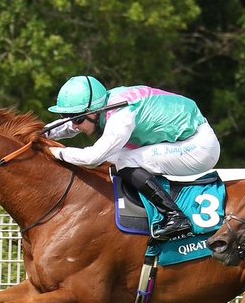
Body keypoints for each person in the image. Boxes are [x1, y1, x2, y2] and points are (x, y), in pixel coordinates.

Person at [45, 75, 221, 240]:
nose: (75, 126)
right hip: (185, 139)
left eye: (77, 120)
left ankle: (175, 216)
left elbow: (93, 157)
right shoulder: (105, 104)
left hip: (199, 148)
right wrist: (41, 133)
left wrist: (54, 152)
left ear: (93, 111)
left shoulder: (122, 116)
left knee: (123, 160)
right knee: (115, 157)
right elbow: (70, 124)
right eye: (67, 117)